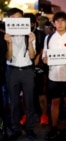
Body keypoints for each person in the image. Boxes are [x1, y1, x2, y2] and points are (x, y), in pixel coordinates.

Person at [42, 11, 66, 140]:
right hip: (53, 75)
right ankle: (54, 128)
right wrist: (45, 60)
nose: (59, 24)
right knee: (55, 102)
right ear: (53, 23)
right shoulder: (48, 38)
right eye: (57, 21)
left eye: (62, 21)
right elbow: (44, 56)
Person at [4, 7, 37, 140]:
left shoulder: (29, 34)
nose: (15, 21)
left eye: (18, 18)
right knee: (14, 102)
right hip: (12, 71)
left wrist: (30, 42)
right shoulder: (5, 35)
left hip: (27, 70)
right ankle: (16, 128)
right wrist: (9, 44)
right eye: (12, 19)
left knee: (29, 101)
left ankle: (29, 128)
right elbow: (8, 57)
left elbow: (33, 56)